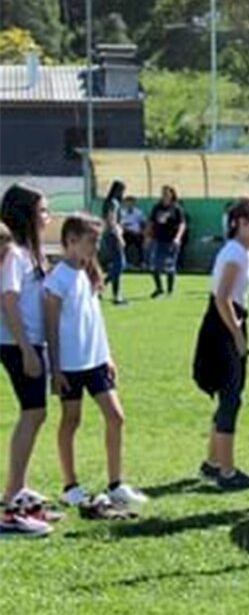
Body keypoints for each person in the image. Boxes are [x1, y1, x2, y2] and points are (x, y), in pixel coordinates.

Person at [44, 215, 149, 511]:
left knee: (116, 417)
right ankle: (70, 486)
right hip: (70, 366)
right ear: (71, 240)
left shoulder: (89, 273)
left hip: (95, 362)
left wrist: (107, 355)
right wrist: (56, 369)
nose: (96, 247)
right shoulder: (57, 278)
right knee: (71, 420)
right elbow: (51, 328)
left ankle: (116, 484)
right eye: (91, 241)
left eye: (97, 241)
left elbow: (95, 320)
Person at [192, 199, 249, 491]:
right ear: (242, 223)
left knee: (229, 396)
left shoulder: (243, 252)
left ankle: (213, 463)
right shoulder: (235, 253)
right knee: (231, 397)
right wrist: (237, 335)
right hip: (224, 325)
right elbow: (222, 298)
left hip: (229, 320)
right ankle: (228, 472)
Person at [0, 184, 56, 537]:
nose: (47, 217)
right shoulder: (16, 255)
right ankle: (11, 502)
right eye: (43, 211)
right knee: (33, 413)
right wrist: (26, 349)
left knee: (35, 413)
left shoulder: (30, 253)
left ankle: (17, 495)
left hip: (30, 343)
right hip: (18, 344)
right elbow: (8, 300)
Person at [147, 185, 186, 298]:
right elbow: (151, 222)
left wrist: (178, 238)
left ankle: (170, 290)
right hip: (158, 240)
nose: (164, 195)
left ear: (171, 194)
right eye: (162, 193)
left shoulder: (176, 209)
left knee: (169, 266)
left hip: (171, 241)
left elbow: (182, 225)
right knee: (154, 266)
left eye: (166, 193)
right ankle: (159, 288)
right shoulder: (157, 207)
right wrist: (148, 236)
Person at [100, 180, 128, 305]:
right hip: (112, 234)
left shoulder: (107, 202)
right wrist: (119, 237)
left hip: (107, 234)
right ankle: (105, 287)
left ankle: (113, 293)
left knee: (117, 265)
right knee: (120, 264)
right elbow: (112, 220)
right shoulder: (114, 203)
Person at [120, 196, 146, 269]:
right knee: (122, 245)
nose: (130, 204)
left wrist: (141, 232)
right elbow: (121, 224)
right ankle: (124, 262)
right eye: (128, 202)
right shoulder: (122, 212)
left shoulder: (138, 213)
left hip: (136, 234)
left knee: (140, 244)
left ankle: (141, 262)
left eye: (131, 202)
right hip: (125, 234)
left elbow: (143, 223)